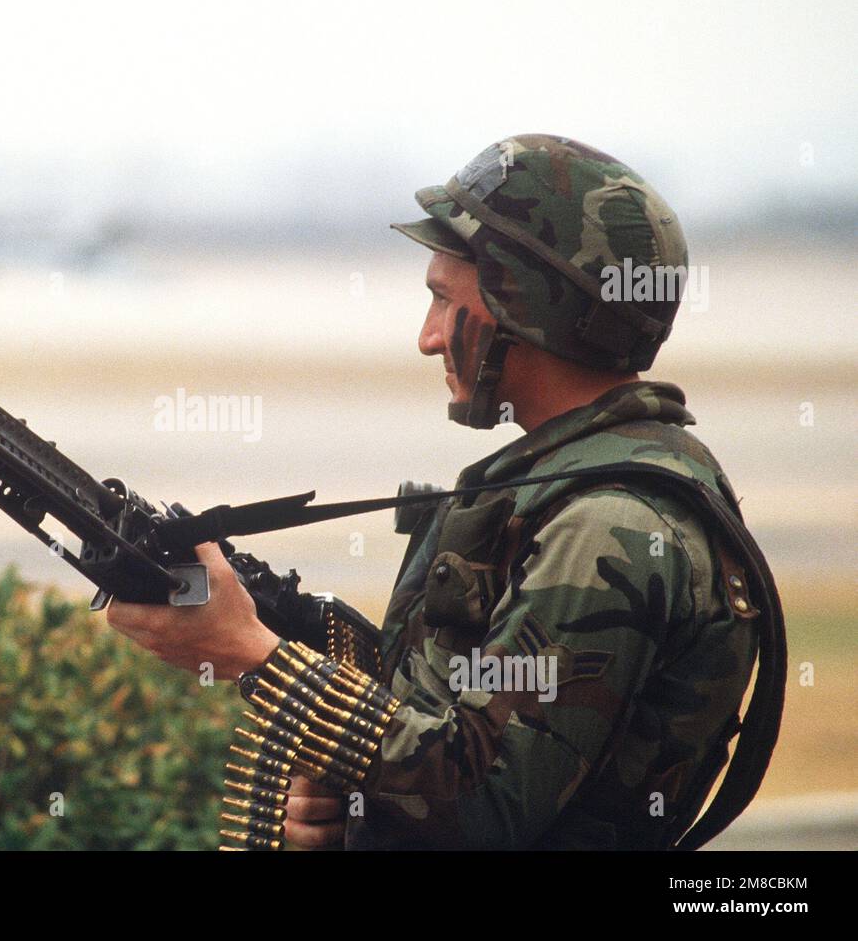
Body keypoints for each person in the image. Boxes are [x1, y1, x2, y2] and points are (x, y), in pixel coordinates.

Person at [106, 134, 765, 849]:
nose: (426, 338)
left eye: (442, 300)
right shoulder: (568, 489)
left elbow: (482, 804)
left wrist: (254, 654)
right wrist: (348, 796)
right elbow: (447, 722)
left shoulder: (611, 525)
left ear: (526, 307)